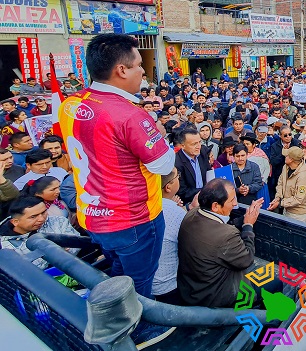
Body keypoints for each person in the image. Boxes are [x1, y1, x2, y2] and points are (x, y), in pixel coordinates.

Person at [57, 33, 176, 348]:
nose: (143, 72)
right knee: (138, 285)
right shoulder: (129, 114)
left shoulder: (71, 105)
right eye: (139, 65)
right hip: (134, 219)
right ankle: (136, 332)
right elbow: (164, 164)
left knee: (117, 271)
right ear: (121, 70)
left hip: (94, 215)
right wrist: (159, 132)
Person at [178, 179, 264, 307]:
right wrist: (248, 225)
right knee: (275, 280)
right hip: (216, 296)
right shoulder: (227, 236)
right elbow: (247, 259)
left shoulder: (191, 214)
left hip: (191, 290)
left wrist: (244, 218)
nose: (235, 204)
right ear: (215, 206)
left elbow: (218, 225)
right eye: (232, 200)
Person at [0, 197, 79, 270]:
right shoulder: (4, 246)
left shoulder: (58, 221)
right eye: (33, 217)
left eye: (43, 212)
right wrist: (55, 254)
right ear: (15, 222)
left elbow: (77, 243)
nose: (41, 219)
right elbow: (25, 270)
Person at [152, 169, 186, 305]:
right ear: (168, 187)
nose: (179, 178)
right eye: (178, 176)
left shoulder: (146, 205)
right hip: (169, 286)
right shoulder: (176, 213)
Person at [267, 146, 306, 223]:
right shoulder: (286, 167)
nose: (284, 156)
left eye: (287, 156)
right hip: (286, 209)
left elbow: (299, 199)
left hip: (298, 214)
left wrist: (280, 203)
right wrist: (278, 198)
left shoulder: (303, 177)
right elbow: (280, 183)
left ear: (291, 159)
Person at [174, 128, 211, 205]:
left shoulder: (202, 152)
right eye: (194, 144)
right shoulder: (177, 163)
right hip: (189, 203)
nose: (198, 146)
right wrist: (206, 191)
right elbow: (182, 192)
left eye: (199, 142)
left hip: (207, 198)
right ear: (182, 146)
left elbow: (208, 172)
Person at [268, 126, 300, 201]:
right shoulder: (274, 146)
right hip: (280, 176)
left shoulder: (297, 143)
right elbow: (273, 162)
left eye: (290, 134)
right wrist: (283, 153)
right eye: (285, 135)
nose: (288, 137)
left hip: (294, 175)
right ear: (280, 136)